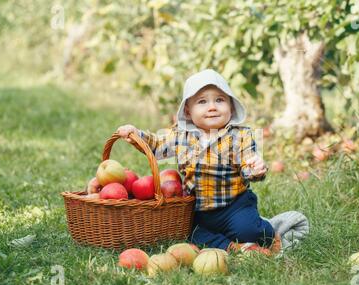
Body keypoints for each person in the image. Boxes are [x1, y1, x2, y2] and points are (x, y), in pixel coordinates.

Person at [117, 69, 281, 256]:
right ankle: (232, 246)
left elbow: (248, 162)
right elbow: (157, 145)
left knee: (249, 230)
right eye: (202, 101)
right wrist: (137, 135)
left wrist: (255, 168)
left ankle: (269, 232)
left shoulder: (239, 135)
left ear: (231, 106)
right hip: (198, 210)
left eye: (219, 100)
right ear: (188, 110)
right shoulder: (181, 135)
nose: (212, 107)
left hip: (234, 205)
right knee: (190, 234)